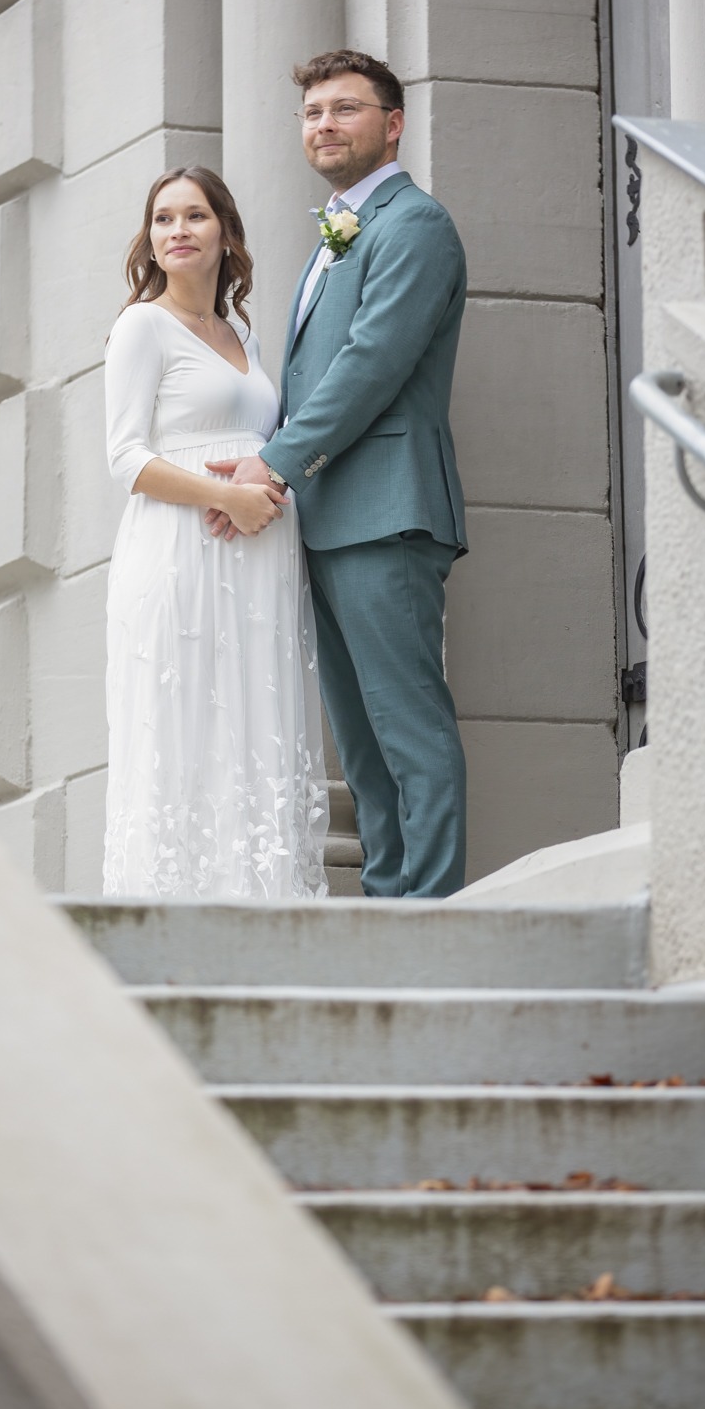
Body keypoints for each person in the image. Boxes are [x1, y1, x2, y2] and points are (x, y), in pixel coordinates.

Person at [206, 51, 469, 899]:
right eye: (313, 113)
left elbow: (370, 365)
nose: (325, 125)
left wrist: (272, 465)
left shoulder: (414, 224)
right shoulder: (336, 230)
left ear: (393, 125)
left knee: (406, 726)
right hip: (328, 516)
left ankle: (428, 910)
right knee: (359, 741)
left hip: (387, 511)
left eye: (345, 110)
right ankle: (392, 901)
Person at [102, 166, 327, 900]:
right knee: (185, 727)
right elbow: (125, 456)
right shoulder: (142, 326)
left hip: (257, 561)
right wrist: (227, 495)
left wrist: (268, 487)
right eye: (162, 219)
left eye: (194, 216)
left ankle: (262, 904)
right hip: (179, 553)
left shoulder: (243, 336)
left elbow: (269, 436)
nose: (177, 232)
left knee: (250, 731)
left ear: (225, 232)